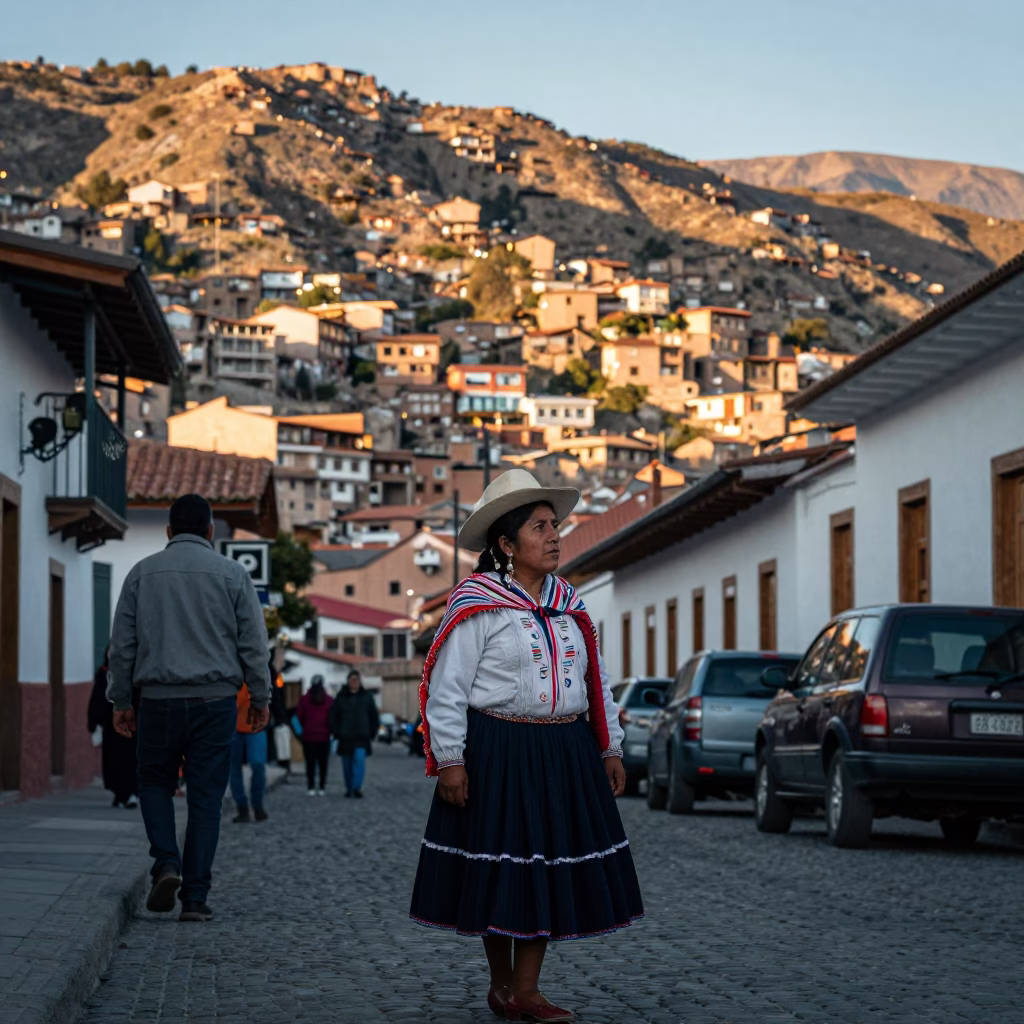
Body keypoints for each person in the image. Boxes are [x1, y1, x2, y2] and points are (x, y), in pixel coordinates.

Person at [409, 470, 643, 1022]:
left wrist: (610, 745)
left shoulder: (569, 606)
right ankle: (504, 985)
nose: (554, 536)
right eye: (539, 528)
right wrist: (451, 760)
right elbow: (448, 688)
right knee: (499, 865)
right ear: (507, 545)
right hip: (498, 749)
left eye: (554, 525)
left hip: (563, 751)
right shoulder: (478, 604)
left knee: (545, 865)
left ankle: (527, 991)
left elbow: (595, 681)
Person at [107, 494, 270, 924]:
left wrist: (121, 701)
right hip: (215, 703)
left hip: (157, 702)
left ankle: (166, 864)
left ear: (168, 532)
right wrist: (260, 697)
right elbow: (254, 644)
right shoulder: (234, 575)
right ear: (211, 531)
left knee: (155, 784)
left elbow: (122, 647)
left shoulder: (141, 574)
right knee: (205, 798)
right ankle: (194, 899)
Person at [87, 647, 138, 808]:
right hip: (111, 727)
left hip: (131, 726)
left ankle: (129, 794)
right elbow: (97, 700)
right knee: (113, 762)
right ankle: (119, 793)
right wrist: (93, 722)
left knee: (130, 761)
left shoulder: (134, 675)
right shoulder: (104, 674)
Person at [329, 670, 379, 798]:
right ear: (348, 681)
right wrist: (336, 731)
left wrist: (372, 732)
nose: (354, 682)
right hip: (345, 737)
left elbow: (373, 715)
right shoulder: (341, 697)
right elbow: (333, 716)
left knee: (359, 761)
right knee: (347, 765)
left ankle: (356, 787)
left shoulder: (366, 697)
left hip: (361, 736)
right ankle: (349, 787)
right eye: (352, 680)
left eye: (356, 680)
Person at [229, 683, 269, 822]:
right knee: (233, 769)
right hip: (231, 723)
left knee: (258, 764)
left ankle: (257, 804)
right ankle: (242, 807)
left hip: (255, 722)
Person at [296, 675, 333, 796]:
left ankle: (311, 786)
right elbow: (333, 719)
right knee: (323, 764)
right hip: (324, 737)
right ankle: (322, 786)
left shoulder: (304, 700)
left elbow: (299, 718)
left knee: (310, 764)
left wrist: (300, 733)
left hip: (309, 737)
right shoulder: (329, 700)